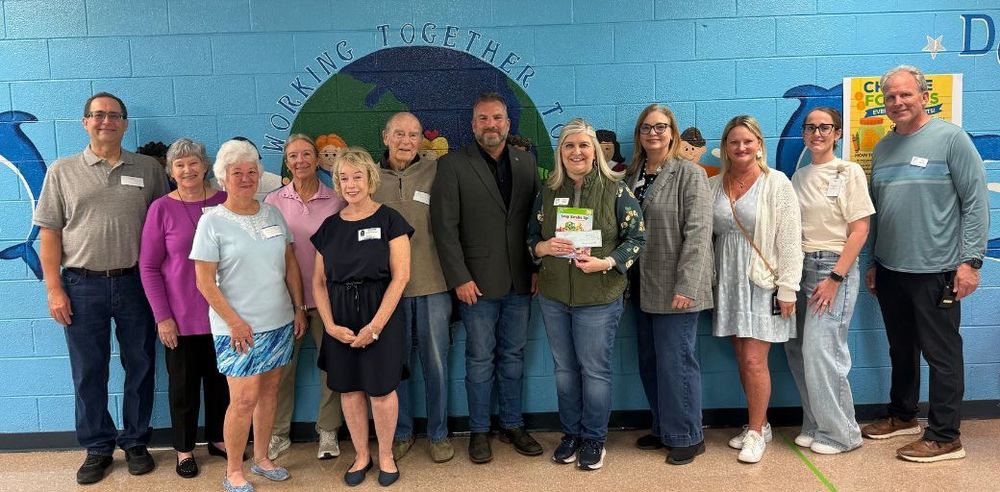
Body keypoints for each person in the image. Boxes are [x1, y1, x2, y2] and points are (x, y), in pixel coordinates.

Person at [33, 92, 169, 485]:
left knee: (140, 366)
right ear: (84, 122)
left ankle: (137, 442)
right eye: (97, 115)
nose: (105, 121)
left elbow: (165, 226)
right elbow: (49, 234)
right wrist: (54, 289)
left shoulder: (148, 169)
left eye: (113, 115)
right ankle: (97, 447)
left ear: (125, 124)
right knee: (89, 371)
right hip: (81, 284)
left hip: (137, 284)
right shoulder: (62, 170)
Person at [862, 65, 989, 463]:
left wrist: (970, 263)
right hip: (891, 269)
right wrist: (872, 262)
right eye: (890, 97)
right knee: (901, 349)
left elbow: (976, 203)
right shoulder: (882, 148)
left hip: (937, 270)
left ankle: (946, 436)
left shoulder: (951, 138)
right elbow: (878, 213)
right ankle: (903, 415)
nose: (897, 103)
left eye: (905, 95)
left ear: (923, 94)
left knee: (942, 354)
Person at [430, 92, 543, 464]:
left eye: (497, 118)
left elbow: (534, 224)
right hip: (475, 284)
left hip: (521, 281)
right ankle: (479, 430)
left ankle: (512, 424)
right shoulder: (452, 165)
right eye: (483, 119)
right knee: (479, 359)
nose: (491, 125)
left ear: (508, 123)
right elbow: (444, 228)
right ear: (473, 123)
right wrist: (459, 277)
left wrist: (537, 269)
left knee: (513, 357)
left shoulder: (526, 163)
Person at [190, 139, 308, 492]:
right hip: (236, 329)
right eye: (237, 172)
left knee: (270, 392)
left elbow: (289, 264)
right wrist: (236, 322)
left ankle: (262, 459)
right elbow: (204, 282)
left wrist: (298, 308)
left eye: (251, 171)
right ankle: (233, 470)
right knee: (242, 399)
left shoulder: (272, 212)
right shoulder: (212, 222)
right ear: (224, 177)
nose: (245, 178)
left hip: (279, 322)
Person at [528, 118, 645, 470]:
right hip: (554, 296)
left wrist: (607, 262)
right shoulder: (548, 192)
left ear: (595, 151)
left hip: (599, 296)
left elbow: (637, 238)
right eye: (569, 146)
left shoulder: (616, 189)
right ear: (560, 152)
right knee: (564, 369)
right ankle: (571, 435)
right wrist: (544, 247)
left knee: (594, 370)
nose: (576, 152)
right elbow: (531, 239)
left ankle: (594, 438)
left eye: (583, 145)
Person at [311, 147, 412, 487]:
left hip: (379, 312)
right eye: (343, 178)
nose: (350, 184)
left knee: (381, 390)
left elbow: (401, 277)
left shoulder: (390, 220)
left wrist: (376, 326)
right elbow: (318, 283)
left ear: (370, 178)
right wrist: (329, 325)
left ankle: (385, 454)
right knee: (350, 390)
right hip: (339, 315)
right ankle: (361, 455)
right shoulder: (329, 227)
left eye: (357, 177)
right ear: (336, 183)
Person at [710, 115, 802, 464]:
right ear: (725, 147)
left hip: (762, 281)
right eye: (734, 142)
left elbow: (790, 239)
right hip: (729, 280)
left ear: (759, 144)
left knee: (754, 359)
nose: (741, 147)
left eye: (747, 141)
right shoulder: (715, 184)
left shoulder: (776, 183)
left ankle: (756, 431)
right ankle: (758, 425)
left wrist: (788, 287)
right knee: (741, 358)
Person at [625, 105, 713, 465]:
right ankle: (663, 427)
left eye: (661, 127)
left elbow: (698, 233)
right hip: (640, 284)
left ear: (673, 132)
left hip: (677, 286)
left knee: (676, 361)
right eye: (646, 127)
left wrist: (688, 284)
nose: (653, 133)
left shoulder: (689, 174)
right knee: (650, 360)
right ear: (639, 134)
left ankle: (688, 435)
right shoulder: (631, 174)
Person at [139, 138, 230, 478]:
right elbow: (148, 268)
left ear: (205, 166)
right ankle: (184, 449)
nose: (188, 170)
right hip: (180, 319)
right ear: (171, 171)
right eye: (180, 165)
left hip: (224, 316)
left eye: (193, 163)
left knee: (223, 384)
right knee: (183, 390)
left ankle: (220, 439)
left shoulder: (224, 201)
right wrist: (163, 317)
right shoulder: (161, 208)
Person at [785, 107, 873, 455]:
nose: (817, 133)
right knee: (797, 350)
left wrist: (836, 277)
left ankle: (843, 434)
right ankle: (815, 423)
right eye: (810, 128)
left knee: (821, 351)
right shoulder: (798, 176)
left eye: (825, 128)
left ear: (837, 133)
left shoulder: (848, 171)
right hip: (801, 265)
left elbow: (860, 229)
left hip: (832, 266)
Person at [372, 113, 455, 463]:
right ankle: (401, 432)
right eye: (399, 134)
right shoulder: (370, 178)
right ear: (385, 136)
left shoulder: (439, 171)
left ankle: (438, 434)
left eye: (414, 135)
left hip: (434, 284)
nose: (406, 141)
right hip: (388, 291)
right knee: (396, 365)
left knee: (436, 364)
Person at [265, 134, 346, 462]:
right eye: (293, 156)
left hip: (328, 299)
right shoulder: (273, 202)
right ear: (287, 162)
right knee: (282, 371)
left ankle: (328, 431)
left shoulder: (335, 199)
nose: (300, 161)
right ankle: (278, 434)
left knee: (331, 369)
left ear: (317, 159)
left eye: (306, 155)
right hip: (286, 302)